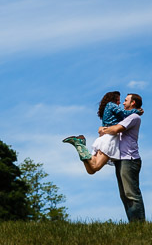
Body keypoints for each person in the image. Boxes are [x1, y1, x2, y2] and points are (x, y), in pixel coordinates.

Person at [63, 92, 146, 223]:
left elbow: (115, 129)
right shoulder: (124, 117)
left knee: (131, 193)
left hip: (129, 159)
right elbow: (112, 126)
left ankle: (140, 224)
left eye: (126, 100)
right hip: (120, 158)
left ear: (133, 103)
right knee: (124, 195)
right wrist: (105, 128)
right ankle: (134, 224)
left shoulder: (134, 117)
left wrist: (104, 129)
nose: (123, 103)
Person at [62, 91, 140, 175]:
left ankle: (80, 146)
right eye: (118, 100)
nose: (120, 103)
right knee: (96, 166)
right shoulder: (111, 105)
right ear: (114, 99)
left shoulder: (109, 108)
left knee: (91, 171)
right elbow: (123, 114)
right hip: (110, 139)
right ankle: (79, 144)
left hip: (104, 137)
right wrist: (137, 111)